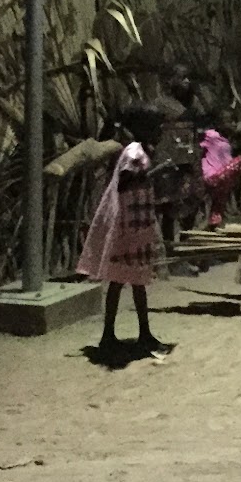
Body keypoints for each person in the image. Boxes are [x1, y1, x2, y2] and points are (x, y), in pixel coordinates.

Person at [77, 142, 170, 355]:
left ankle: (136, 334)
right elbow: (128, 177)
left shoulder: (139, 163)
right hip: (125, 234)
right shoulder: (134, 155)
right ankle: (112, 335)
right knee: (119, 282)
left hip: (138, 233)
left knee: (134, 284)